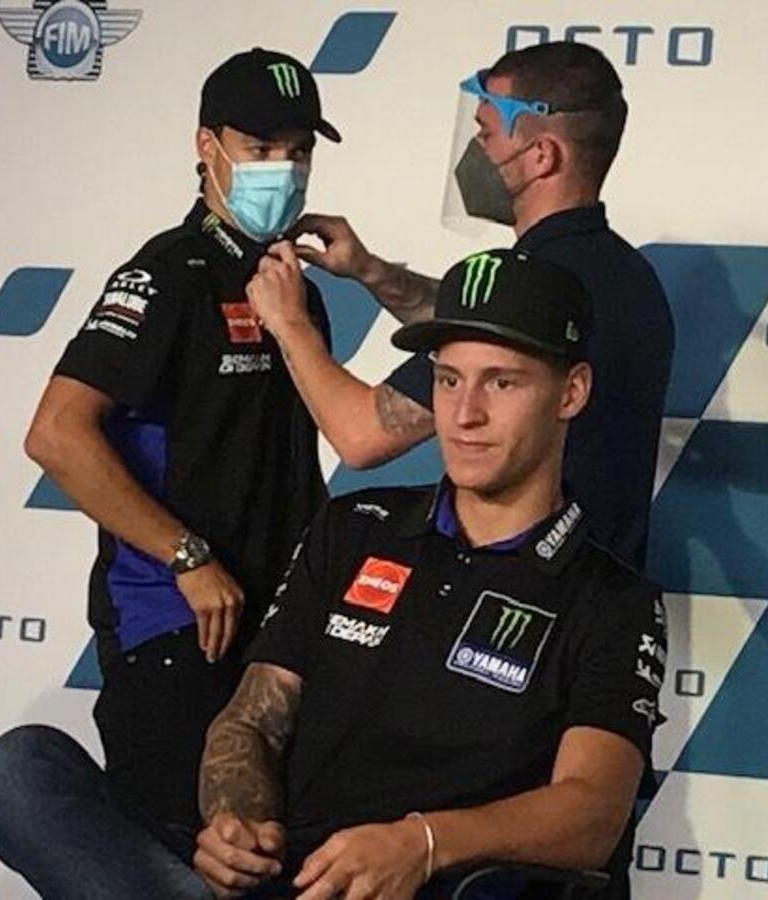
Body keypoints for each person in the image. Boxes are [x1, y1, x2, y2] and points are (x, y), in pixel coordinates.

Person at [0, 47, 341, 898]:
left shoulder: (297, 291)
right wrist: (186, 556)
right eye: (260, 147)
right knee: (200, 852)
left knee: (263, 864)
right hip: (177, 630)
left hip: (278, 638)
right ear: (207, 147)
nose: (282, 170)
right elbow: (57, 433)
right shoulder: (167, 273)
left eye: (297, 151)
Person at [187, 249, 667, 900]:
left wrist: (422, 844)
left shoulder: (611, 600)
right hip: (289, 883)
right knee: (44, 777)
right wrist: (235, 825)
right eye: (447, 380)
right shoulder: (353, 528)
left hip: (447, 891)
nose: (464, 415)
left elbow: (592, 813)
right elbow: (251, 722)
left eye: (502, 383)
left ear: (571, 392)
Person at [247, 41, 673, 570]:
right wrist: (372, 271)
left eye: (486, 133)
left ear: (542, 156)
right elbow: (489, 325)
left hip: (520, 589)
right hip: (597, 586)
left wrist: (288, 322)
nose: (476, 151)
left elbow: (360, 436)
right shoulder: (627, 275)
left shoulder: (542, 281)